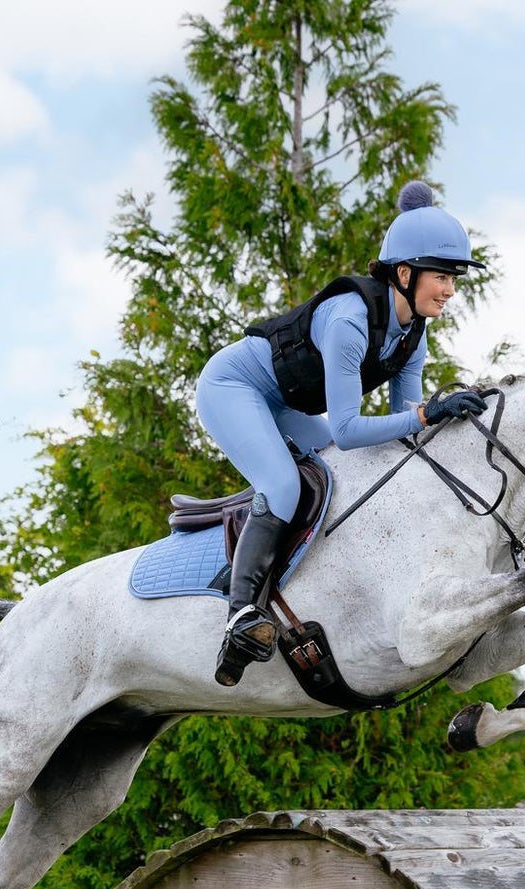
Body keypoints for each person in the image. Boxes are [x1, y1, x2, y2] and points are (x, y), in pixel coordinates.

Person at [195, 181, 488, 685]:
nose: (449, 291)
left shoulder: (413, 333)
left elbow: (406, 425)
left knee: (337, 472)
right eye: (442, 277)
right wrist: (426, 416)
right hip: (233, 386)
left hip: (283, 400)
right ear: (405, 273)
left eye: (453, 279)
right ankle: (241, 613)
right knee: (284, 484)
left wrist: (444, 420)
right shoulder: (350, 321)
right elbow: (350, 429)